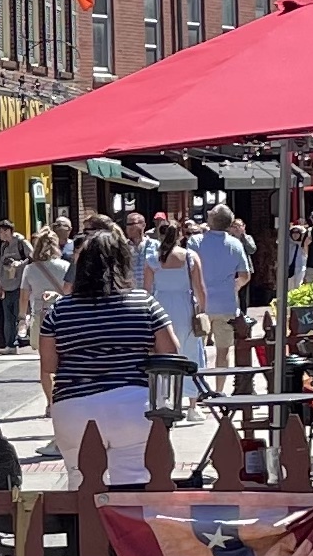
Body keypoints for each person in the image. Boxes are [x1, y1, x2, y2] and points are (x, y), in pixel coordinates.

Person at [39, 226, 179, 486]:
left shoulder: (60, 309)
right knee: (135, 481)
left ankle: (86, 527)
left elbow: (49, 365)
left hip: (73, 404)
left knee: (82, 483)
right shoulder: (144, 302)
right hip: (133, 403)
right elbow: (171, 350)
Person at [192, 204, 257, 387]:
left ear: (211, 219)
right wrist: (233, 288)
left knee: (199, 350)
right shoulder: (235, 243)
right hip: (226, 303)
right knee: (223, 350)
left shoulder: (196, 242)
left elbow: (189, 270)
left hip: (201, 303)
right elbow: (245, 275)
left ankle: (200, 390)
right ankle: (219, 390)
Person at [147, 212, 205, 374]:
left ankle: (165, 392)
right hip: (185, 304)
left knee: (163, 350)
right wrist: (202, 310)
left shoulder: (153, 259)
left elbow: (147, 291)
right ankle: (192, 394)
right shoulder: (190, 257)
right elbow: (200, 288)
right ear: (180, 235)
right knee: (190, 349)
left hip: (160, 306)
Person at [18, 223, 72, 348]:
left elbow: (24, 297)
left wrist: (22, 318)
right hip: (62, 315)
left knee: (43, 354)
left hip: (39, 315)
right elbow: (71, 291)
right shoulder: (65, 266)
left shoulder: (29, 269)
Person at [0, 219, 29, 350]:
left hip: (20, 285)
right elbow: (1, 266)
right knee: (8, 318)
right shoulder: (3, 246)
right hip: (7, 286)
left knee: (20, 315)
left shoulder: (21, 243)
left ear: (8, 231)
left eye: (1, 232)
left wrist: (20, 264)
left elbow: (33, 257)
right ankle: (10, 344)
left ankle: (21, 339)